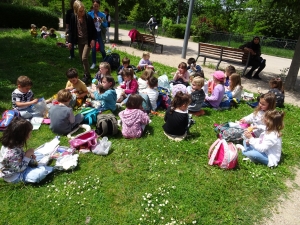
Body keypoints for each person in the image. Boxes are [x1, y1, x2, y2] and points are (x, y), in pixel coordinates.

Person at [0, 117, 53, 183]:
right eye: (29, 133)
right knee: (40, 174)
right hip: (14, 175)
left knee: (38, 155)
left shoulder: (13, 143)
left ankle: (38, 165)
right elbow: (20, 169)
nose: (30, 136)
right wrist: (27, 155)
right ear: (21, 135)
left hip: (18, 165)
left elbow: (19, 157)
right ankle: (40, 168)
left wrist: (28, 157)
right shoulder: (11, 152)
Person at [68, 0, 97, 85]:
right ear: (76, 10)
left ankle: (88, 75)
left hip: (87, 40)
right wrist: (70, 42)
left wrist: (93, 39)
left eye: (83, 10)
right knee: (81, 59)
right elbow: (71, 31)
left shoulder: (88, 18)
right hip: (79, 41)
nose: (82, 12)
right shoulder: (73, 18)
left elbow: (94, 31)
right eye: (80, 11)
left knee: (84, 58)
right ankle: (86, 73)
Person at [88, 0, 107, 69]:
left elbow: (106, 25)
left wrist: (101, 22)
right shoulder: (89, 14)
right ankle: (94, 63)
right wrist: (93, 21)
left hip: (99, 33)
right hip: (93, 34)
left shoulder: (102, 15)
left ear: (99, 7)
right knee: (93, 49)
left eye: (97, 6)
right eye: (94, 6)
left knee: (102, 49)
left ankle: (106, 61)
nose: (96, 7)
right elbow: (87, 24)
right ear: (93, 6)